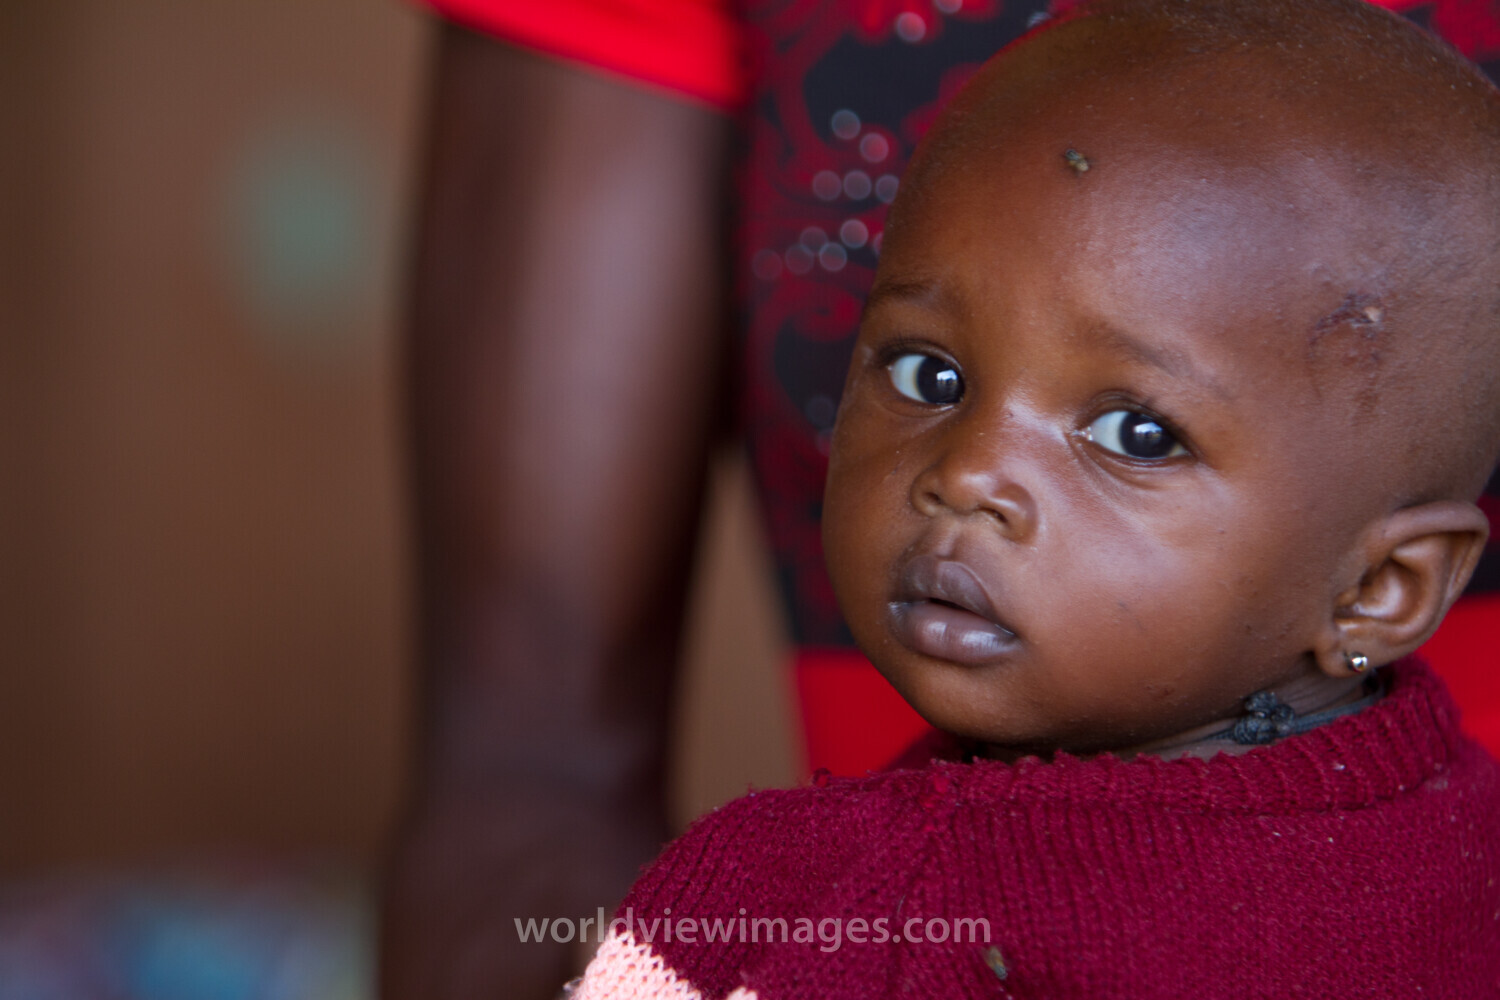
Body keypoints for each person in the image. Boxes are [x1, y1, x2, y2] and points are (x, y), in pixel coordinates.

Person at [384, 1, 1500, 997]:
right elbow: (526, 770)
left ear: (1383, 586)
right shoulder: (1467, 862)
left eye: (1135, 434)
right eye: (929, 376)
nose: (964, 474)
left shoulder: (809, 905)